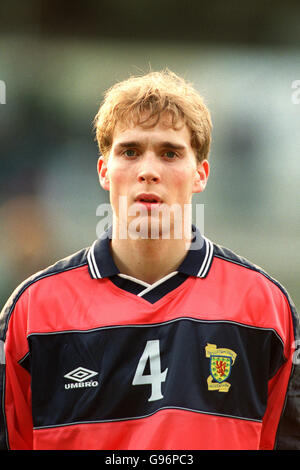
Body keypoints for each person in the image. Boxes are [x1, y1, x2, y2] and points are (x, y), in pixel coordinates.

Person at [0, 70, 299, 451]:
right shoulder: (33, 311)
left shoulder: (264, 307)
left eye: (170, 153)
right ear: (104, 171)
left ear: (200, 174)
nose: (148, 171)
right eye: (129, 151)